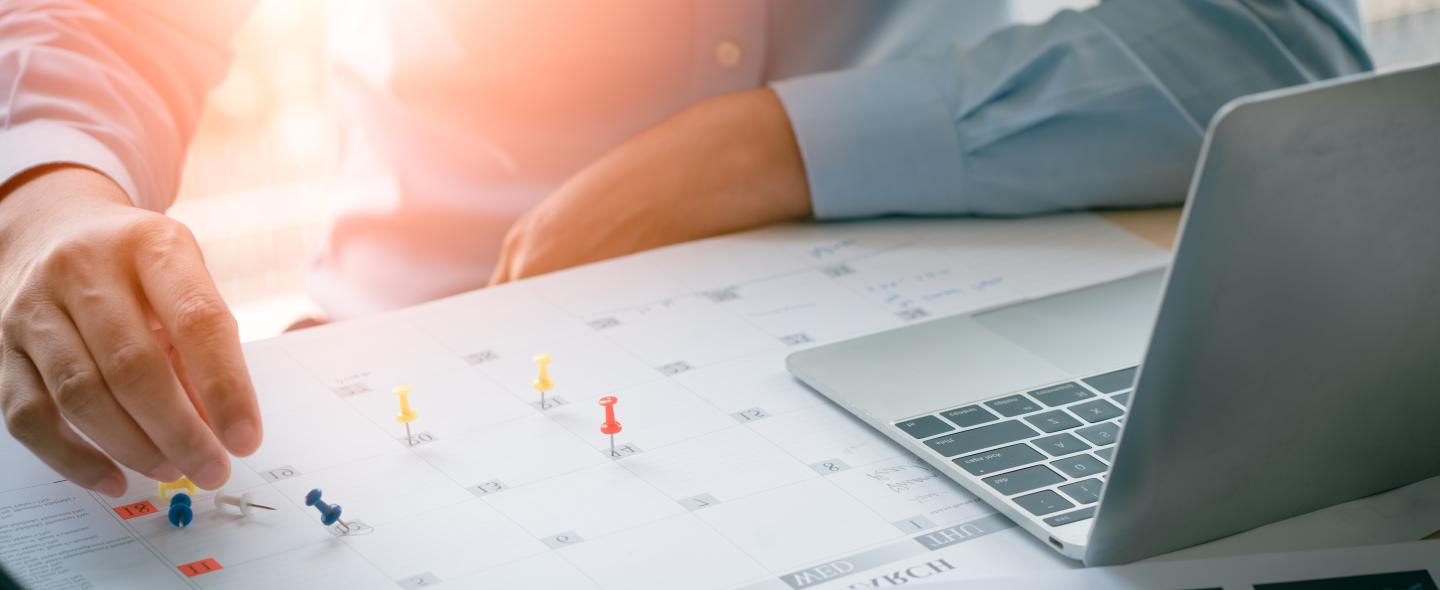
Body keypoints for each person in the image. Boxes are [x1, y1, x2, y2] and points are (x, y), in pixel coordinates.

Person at [0, 0, 1370, 497]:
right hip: (414, 382)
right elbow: (105, 24)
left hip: (897, 368)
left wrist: (766, 144)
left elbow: (1284, 40)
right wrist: (47, 197)